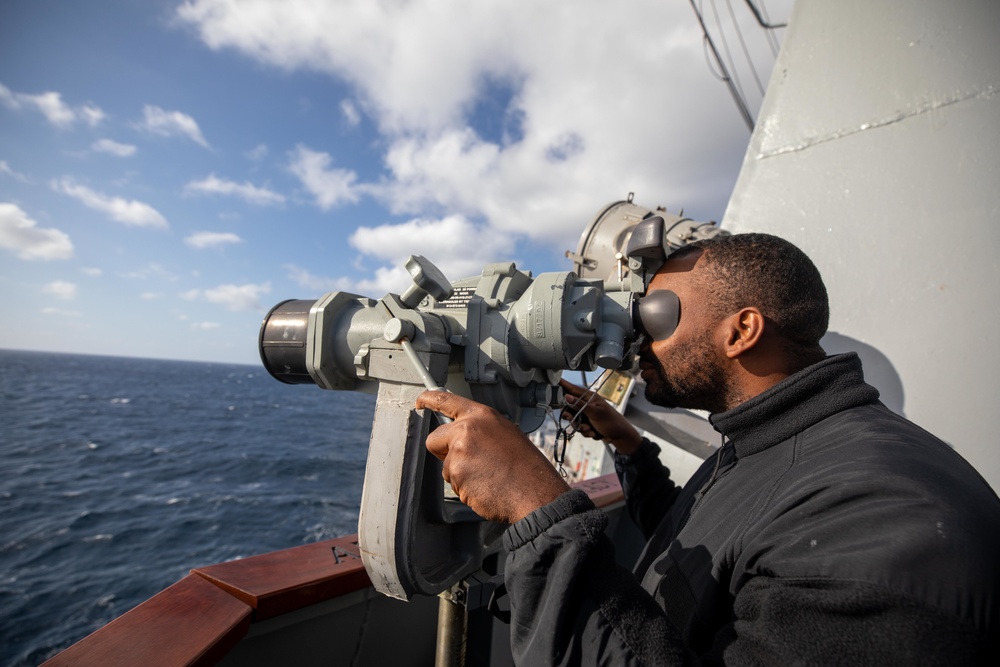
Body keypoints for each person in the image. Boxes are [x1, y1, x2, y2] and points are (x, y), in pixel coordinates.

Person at [415, 233, 1000, 665]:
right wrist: (630, 446)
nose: (638, 337)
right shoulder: (779, 439)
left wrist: (534, 510)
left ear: (741, 332)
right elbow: (709, 542)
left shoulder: (878, 519)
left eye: (655, 314)